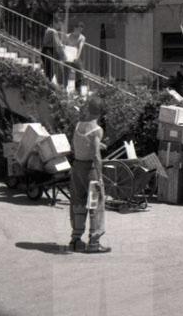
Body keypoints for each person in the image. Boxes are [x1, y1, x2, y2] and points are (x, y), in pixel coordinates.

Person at [69, 98, 111, 253]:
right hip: (90, 171)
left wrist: (97, 144)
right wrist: (99, 175)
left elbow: (76, 145)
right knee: (95, 204)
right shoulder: (97, 130)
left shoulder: (78, 126)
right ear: (101, 113)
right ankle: (94, 242)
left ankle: (75, 240)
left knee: (78, 203)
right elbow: (95, 156)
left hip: (77, 168)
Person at [41, 17, 66, 84]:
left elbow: (56, 43)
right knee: (50, 72)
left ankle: (48, 85)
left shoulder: (49, 30)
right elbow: (57, 44)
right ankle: (47, 85)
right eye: (58, 24)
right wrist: (63, 54)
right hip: (48, 52)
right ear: (54, 23)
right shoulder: (53, 31)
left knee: (50, 72)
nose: (59, 26)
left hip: (48, 51)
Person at [63, 21, 86, 92]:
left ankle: (78, 91)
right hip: (67, 57)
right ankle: (64, 89)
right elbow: (64, 46)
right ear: (75, 28)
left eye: (81, 30)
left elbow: (80, 48)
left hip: (76, 57)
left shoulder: (82, 37)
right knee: (65, 73)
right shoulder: (68, 36)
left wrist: (77, 58)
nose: (79, 31)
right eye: (78, 29)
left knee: (79, 73)